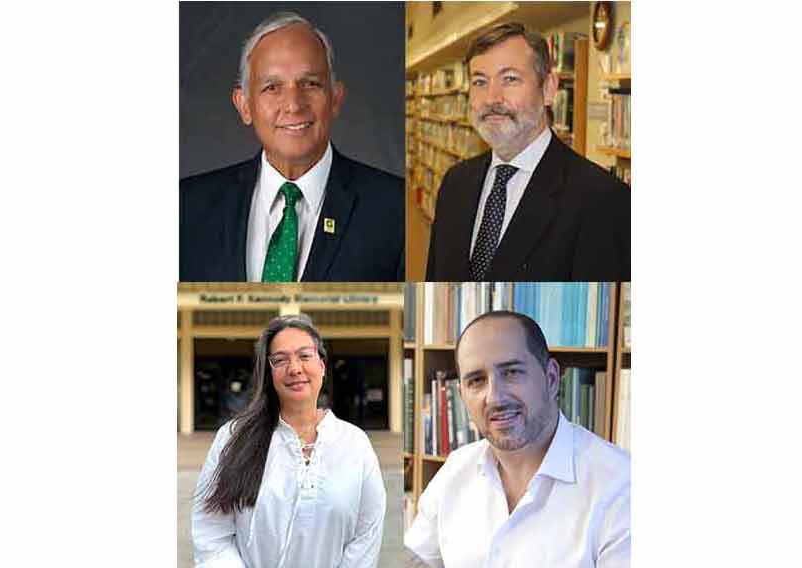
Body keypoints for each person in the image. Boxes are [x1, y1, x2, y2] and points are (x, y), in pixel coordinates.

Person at [180, 12, 404, 282]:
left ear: (335, 99)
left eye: (310, 84)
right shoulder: (186, 207)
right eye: (272, 87)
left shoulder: (394, 209)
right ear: (244, 105)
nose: (294, 105)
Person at [404, 311, 630, 567]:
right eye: (476, 380)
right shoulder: (456, 469)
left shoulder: (621, 486)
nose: (495, 398)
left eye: (511, 372)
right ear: (463, 395)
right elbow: (417, 558)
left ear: (552, 379)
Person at [425, 22, 630, 282]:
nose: (491, 98)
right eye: (479, 82)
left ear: (548, 89)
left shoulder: (603, 200)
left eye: (510, 79)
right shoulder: (455, 182)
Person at [193, 314, 386, 567]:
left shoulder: (355, 444)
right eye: (280, 360)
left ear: (322, 365)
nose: (294, 368)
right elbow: (211, 535)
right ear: (269, 373)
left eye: (305, 356)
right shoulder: (233, 438)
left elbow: (367, 534)